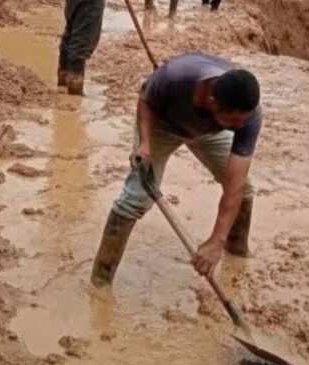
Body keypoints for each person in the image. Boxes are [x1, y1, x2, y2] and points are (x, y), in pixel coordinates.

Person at [90, 53, 262, 287]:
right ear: (213, 103)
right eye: (235, 123)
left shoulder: (247, 116)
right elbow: (146, 100)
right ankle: (100, 280)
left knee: (245, 190)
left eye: (244, 122)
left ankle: (237, 252)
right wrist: (145, 144)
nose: (241, 128)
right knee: (136, 197)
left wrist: (216, 241)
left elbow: (235, 185)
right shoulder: (175, 78)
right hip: (163, 124)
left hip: (209, 132)